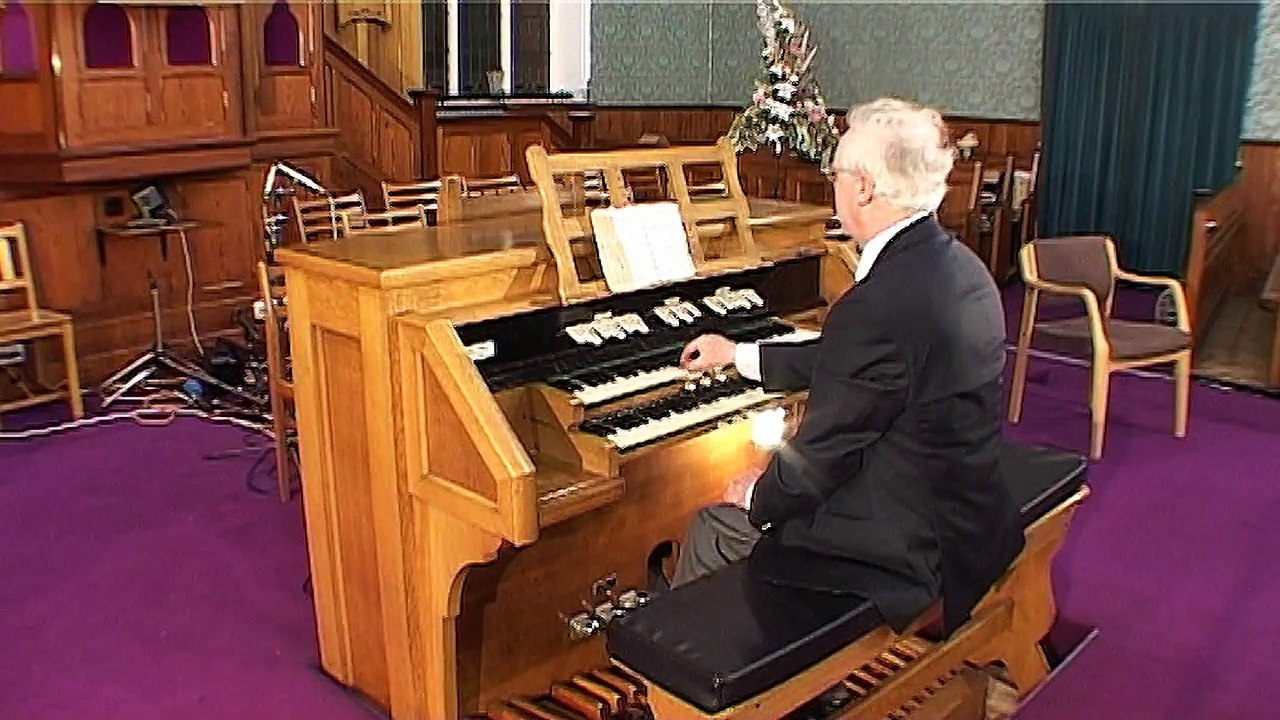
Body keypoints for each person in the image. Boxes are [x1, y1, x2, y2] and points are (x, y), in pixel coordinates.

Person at [673, 97, 1024, 636]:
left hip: (899, 547)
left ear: (862, 187)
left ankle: (693, 687)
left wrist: (756, 495)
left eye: (834, 173)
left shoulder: (879, 304)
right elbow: (861, 362)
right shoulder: (960, 267)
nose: (832, 186)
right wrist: (737, 355)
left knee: (713, 529)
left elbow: (820, 456)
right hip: (960, 515)